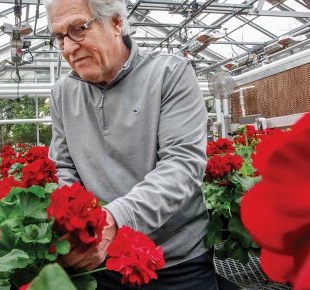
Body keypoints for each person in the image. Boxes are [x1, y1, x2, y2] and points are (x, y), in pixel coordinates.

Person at [44, 0, 218, 289]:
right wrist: (80, 225)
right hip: (99, 262)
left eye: (77, 29)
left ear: (115, 23)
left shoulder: (170, 74)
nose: (68, 48)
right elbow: (62, 166)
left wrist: (115, 218)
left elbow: (182, 164)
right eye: (59, 37)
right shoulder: (63, 92)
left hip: (175, 262)